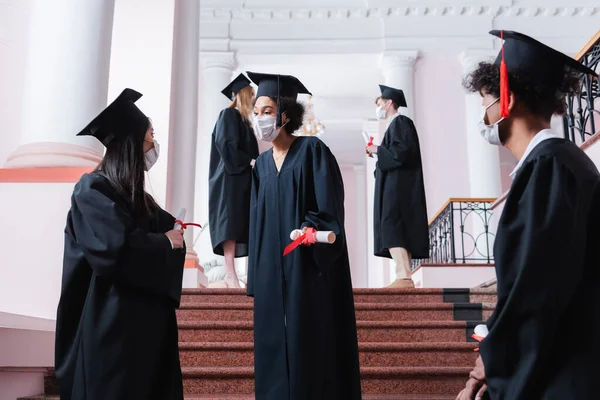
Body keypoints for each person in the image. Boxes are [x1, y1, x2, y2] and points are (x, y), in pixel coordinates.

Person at [457, 30, 599, 400]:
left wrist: (491, 361)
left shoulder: (551, 166)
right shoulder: (553, 165)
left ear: (508, 99)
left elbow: (537, 287)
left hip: (567, 370)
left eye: (486, 100)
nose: (484, 114)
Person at [55, 89, 186, 400]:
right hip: (109, 328)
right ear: (131, 141)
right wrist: (165, 243)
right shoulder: (93, 189)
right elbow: (113, 249)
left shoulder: (141, 201)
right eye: (150, 135)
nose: (154, 145)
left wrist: (173, 233)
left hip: (147, 328)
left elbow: (166, 229)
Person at [246, 71, 362, 400]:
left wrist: (311, 229)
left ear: (284, 115)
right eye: (255, 113)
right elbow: (256, 222)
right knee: (271, 345)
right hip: (271, 268)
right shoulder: (261, 166)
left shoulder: (313, 151)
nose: (259, 119)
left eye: (266, 112)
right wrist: (256, 276)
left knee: (307, 341)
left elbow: (329, 208)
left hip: (307, 266)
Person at [367, 84, 429, 288]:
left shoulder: (401, 122)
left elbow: (402, 153)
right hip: (393, 186)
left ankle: (404, 276)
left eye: (379, 103)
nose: (378, 108)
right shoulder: (394, 126)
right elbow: (392, 156)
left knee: (392, 226)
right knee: (395, 228)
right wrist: (378, 153)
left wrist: (378, 150)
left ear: (389, 102)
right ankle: (404, 275)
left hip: (399, 188)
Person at [209, 73, 259, 288]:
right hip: (229, 179)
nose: (255, 99)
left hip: (242, 179)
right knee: (230, 225)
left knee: (242, 224)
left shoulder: (244, 122)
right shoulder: (228, 115)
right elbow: (226, 145)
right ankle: (230, 274)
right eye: (253, 95)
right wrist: (248, 162)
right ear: (244, 95)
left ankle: (240, 275)